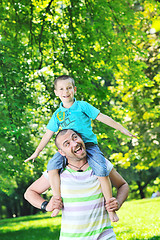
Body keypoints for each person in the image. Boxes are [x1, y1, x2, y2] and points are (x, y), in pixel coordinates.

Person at [25, 75, 135, 220]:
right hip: (68, 150)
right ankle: (56, 202)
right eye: (62, 89)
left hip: (88, 145)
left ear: (74, 89)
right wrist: (37, 151)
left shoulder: (83, 106)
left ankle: (110, 209)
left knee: (101, 169)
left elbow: (102, 117)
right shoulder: (57, 115)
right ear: (56, 92)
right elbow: (48, 134)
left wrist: (121, 129)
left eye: (69, 88)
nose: (66, 91)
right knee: (52, 166)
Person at [24, 129, 129, 240]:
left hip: (104, 236)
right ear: (62, 152)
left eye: (75, 137)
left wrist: (118, 202)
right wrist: (46, 206)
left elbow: (123, 185)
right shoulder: (57, 172)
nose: (75, 143)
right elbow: (29, 193)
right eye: (67, 144)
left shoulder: (100, 165)